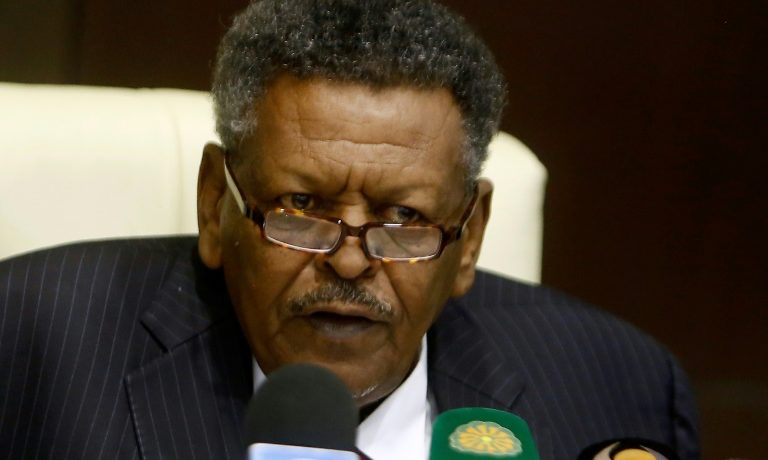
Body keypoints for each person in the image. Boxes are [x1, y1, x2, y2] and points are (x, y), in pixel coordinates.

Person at [0, 0, 699, 459]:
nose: (351, 262)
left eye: (405, 218)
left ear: (471, 237)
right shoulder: (32, 344)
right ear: (215, 202)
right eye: (302, 206)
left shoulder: (619, 385)